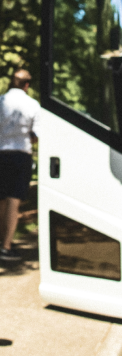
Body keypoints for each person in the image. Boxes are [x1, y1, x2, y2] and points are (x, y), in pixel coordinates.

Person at [0, 69, 40, 261]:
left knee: (1, 201)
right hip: (20, 156)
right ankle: (6, 247)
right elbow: (35, 136)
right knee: (13, 202)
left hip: (1, 153)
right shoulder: (33, 105)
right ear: (27, 85)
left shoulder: (1, 102)